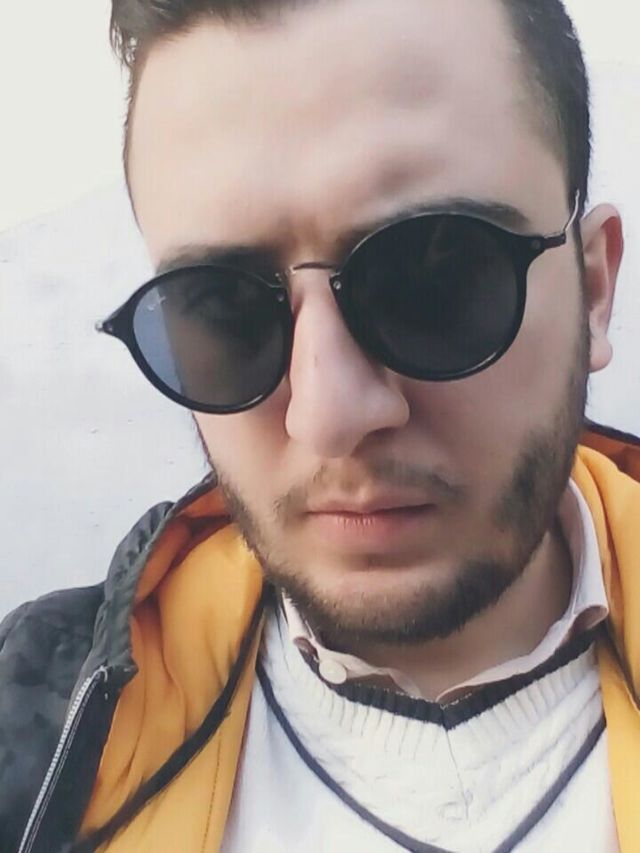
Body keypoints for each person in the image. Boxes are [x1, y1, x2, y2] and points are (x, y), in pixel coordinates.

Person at [1, 0, 638, 850]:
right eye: (223, 308)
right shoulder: (34, 725)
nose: (330, 415)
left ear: (593, 289)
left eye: (434, 280)